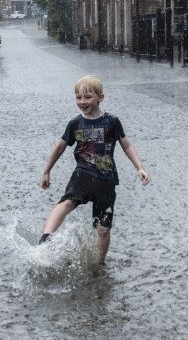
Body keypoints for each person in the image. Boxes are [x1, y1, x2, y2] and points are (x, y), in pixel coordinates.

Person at [39, 75, 150, 263]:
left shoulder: (112, 122)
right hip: (82, 174)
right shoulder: (75, 123)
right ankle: (45, 240)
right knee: (66, 203)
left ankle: (98, 264)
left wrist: (139, 167)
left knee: (102, 228)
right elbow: (60, 147)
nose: (82, 102)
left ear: (101, 97)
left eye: (88, 97)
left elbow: (126, 145)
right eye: (78, 98)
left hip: (106, 181)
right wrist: (46, 170)